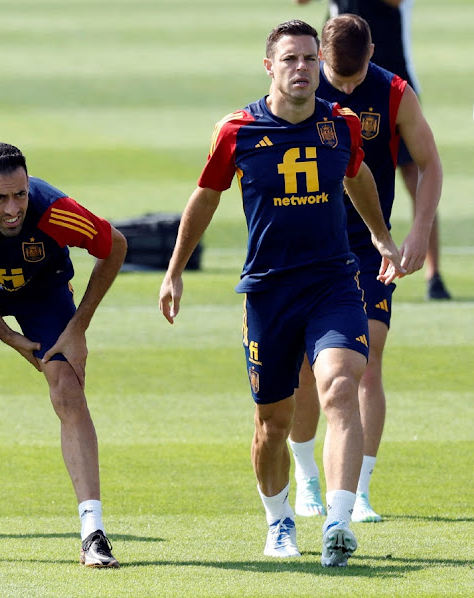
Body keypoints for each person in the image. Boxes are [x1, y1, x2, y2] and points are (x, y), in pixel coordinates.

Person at [159, 20, 404, 567]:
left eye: (310, 60)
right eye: (290, 60)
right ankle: (279, 522)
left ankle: (339, 521)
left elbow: (357, 176)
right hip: (268, 291)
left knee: (342, 386)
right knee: (272, 421)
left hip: (334, 282)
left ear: (321, 65)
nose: (302, 69)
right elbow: (204, 198)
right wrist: (174, 270)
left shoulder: (341, 125)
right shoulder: (238, 130)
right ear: (269, 67)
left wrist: (381, 236)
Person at [0, 140, 127, 567]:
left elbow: (115, 247)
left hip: (44, 291)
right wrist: (2, 332)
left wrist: (78, 329)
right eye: (0, 198)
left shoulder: (56, 211)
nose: (14, 208)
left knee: (68, 390)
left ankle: (94, 534)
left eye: (21, 193)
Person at [288, 14, 443, 523]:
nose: (348, 89)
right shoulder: (301, 89)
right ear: (321, 60)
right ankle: (308, 478)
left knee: (366, 363)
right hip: (310, 249)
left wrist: (418, 231)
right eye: (340, 78)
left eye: (356, 79)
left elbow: (430, 162)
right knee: (309, 370)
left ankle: (359, 491)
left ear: (373, 52)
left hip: (369, 251)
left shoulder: (395, 92)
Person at [295, 0, 451, 300]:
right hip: (334, 69)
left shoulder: (394, 89)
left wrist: (417, 231)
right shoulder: (311, 80)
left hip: (387, 72)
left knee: (410, 173)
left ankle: (432, 271)